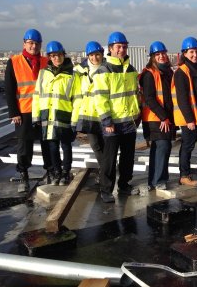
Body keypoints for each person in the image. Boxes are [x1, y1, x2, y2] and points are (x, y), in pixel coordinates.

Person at [93, 32, 140, 203]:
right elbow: (100, 99)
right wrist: (107, 121)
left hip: (129, 122)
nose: (121, 49)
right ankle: (106, 190)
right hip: (112, 124)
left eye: (124, 46)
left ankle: (124, 185)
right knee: (109, 158)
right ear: (111, 49)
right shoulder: (103, 71)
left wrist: (137, 115)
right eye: (118, 46)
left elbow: (135, 94)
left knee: (128, 157)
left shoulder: (131, 70)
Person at [4, 28, 52, 192]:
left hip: (44, 110)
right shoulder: (14, 61)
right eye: (31, 43)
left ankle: (50, 171)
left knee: (48, 143)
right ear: (24, 43)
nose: (34, 46)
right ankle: (23, 174)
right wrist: (14, 113)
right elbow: (9, 90)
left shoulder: (46, 62)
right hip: (24, 111)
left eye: (37, 43)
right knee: (24, 145)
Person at [32, 41, 80, 186]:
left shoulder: (72, 74)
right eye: (53, 56)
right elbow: (37, 96)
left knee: (66, 146)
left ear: (63, 55)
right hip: (47, 116)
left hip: (64, 116)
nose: (56, 58)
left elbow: (77, 99)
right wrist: (36, 116)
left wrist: (74, 120)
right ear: (49, 57)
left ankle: (66, 173)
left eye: (58, 55)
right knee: (52, 146)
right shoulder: (43, 74)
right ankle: (57, 172)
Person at [172, 36, 197, 186]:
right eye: (191, 52)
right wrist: (189, 119)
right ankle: (184, 175)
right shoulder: (181, 72)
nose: (195, 55)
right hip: (191, 117)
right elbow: (182, 98)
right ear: (184, 53)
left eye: (196, 51)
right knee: (188, 145)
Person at [140, 41, 175, 190]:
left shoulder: (167, 72)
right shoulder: (149, 74)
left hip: (164, 117)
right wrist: (163, 117)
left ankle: (154, 181)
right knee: (162, 147)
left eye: (163, 53)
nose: (161, 56)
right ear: (152, 57)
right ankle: (159, 180)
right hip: (156, 118)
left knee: (160, 148)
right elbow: (149, 98)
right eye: (157, 54)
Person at [72, 41, 105, 181]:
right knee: (96, 145)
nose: (95, 58)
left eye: (97, 55)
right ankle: (104, 171)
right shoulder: (79, 71)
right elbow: (76, 95)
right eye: (92, 55)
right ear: (88, 56)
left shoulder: (107, 69)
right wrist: (75, 119)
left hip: (105, 113)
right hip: (89, 114)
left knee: (106, 145)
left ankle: (105, 172)